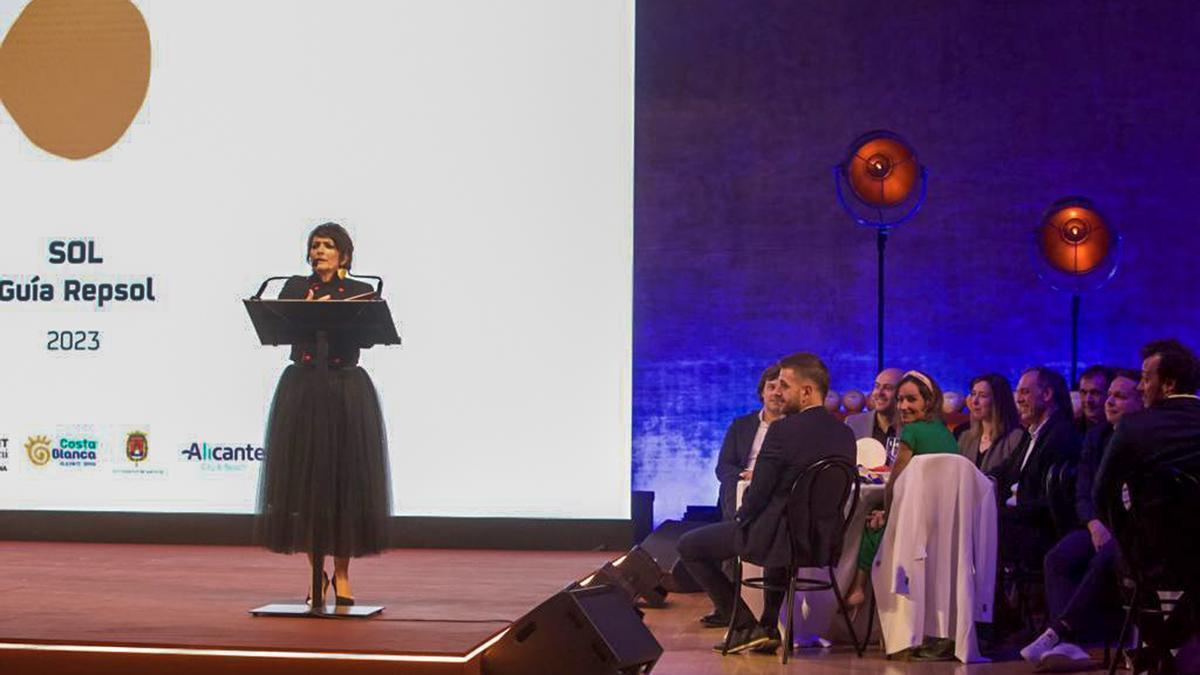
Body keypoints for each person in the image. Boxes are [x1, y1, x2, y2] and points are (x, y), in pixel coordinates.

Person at [677, 352, 855, 655]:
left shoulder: (783, 430)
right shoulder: (845, 433)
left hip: (778, 539)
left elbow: (759, 492)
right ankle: (768, 627)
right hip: (821, 541)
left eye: (785, 386)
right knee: (779, 524)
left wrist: (740, 519)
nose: (779, 393)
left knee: (689, 546)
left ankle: (744, 625)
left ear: (807, 391)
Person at [257, 222, 392, 607]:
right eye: (314, 245)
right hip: (303, 388)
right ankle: (316, 575)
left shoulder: (359, 292)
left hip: (344, 388)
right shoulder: (295, 289)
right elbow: (280, 329)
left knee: (343, 483)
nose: (319, 251)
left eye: (328, 246)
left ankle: (343, 574)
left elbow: (367, 336)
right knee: (307, 482)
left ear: (344, 255)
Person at [1020, 369, 1142, 665]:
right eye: (1109, 395)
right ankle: (1069, 645)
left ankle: (1060, 631)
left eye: (1119, 397)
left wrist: (1112, 528)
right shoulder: (1096, 437)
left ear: (1140, 402)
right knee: (1059, 557)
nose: (1109, 402)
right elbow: (1083, 491)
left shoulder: (1143, 437)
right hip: (1098, 524)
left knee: (1105, 559)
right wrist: (1092, 522)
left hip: (1132, 530)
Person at [846, 370, 959, 608]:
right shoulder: (945, 432)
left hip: (917, 524)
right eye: (900, 400)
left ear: (928, 401)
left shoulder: (912, 432)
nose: (903, 406)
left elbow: (895, 484)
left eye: (911, 399)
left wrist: (888, 512)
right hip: (945, 522)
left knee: (870, 523)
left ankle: (858, 587)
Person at [992, 367, 1081, 577]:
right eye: (1018, 393)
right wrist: (982, 478)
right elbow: (1005, 470)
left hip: (1037, 533)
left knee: (975, 529)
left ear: (1047, 394)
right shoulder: (1032, 433)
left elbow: (1053, 502)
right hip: (1017, 524)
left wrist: (1003, 513)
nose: (1018, 399)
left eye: (1025, 392)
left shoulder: (1062, 436)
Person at [715, 365, 784, 521]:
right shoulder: (740, 425)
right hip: (742, 483)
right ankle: (736, 527)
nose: (776, 393)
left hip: (775, 485)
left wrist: (761, 476)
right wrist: (744, 476)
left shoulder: (795, 427)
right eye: (771, 387)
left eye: (782, 389)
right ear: (762, 392)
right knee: (732, 484)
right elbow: (723, 466)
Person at [958, 373, 1026, 473]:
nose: (974, 401)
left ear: (998, 401)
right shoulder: (965, 438)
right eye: (973, 394)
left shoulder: (1016, 438)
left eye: (983, 396)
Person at [845, 368, 904, 444]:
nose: (879, 393)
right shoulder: (853, 424)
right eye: (877, 386)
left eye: (888, 388)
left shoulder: (911, 428)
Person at [1077, 365, 1113, 434]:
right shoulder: (1069, 428)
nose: (1088, 400)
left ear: (1109, 394)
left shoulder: (1117, 430)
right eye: (1083, 393)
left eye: (1095, 393)